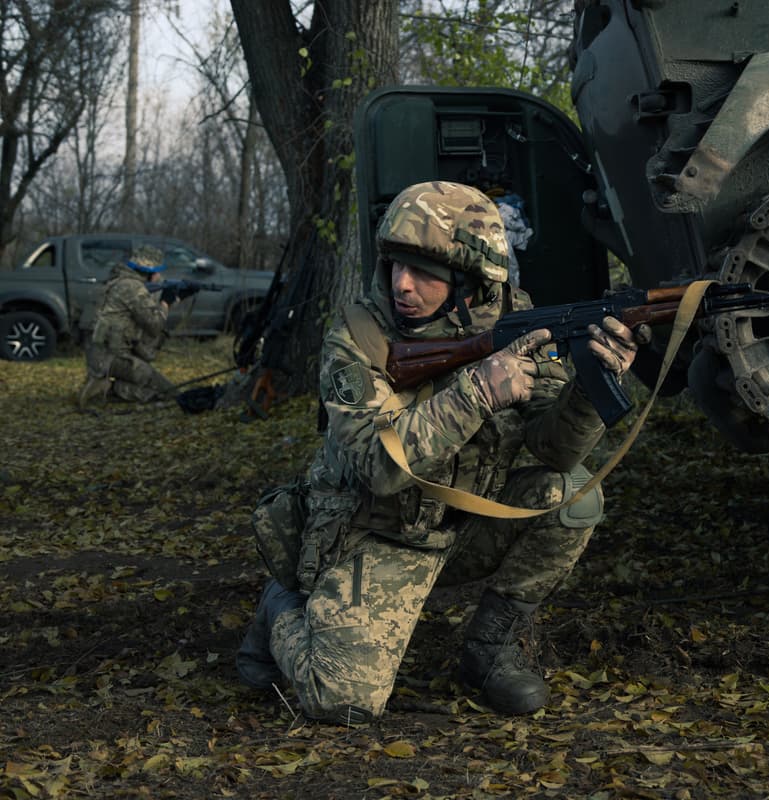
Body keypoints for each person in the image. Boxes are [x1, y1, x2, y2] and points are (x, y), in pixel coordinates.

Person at [235, 181, 647, 724]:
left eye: (425, 272)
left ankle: (489, 651)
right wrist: (478, 393)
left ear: (470, 280)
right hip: (375, 532)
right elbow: (377, 468)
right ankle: (280, 607)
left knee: (573, 497)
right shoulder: (358, 335)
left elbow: (554, 450)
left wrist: (593, 387)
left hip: (463, 523)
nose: (402, 286)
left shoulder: (514, 320)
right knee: (341, 700)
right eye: (396, 266)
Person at [78, 245, 177, 407]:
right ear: (150, 272)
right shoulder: (134, 288)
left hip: (98, 355)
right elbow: (154, 326)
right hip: (111, 358)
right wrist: (166, 304)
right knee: (166, 390)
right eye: (158, 272)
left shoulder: (114, 281)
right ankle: (109, 388)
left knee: (149, 378)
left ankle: (103, 383)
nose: (160, 276)